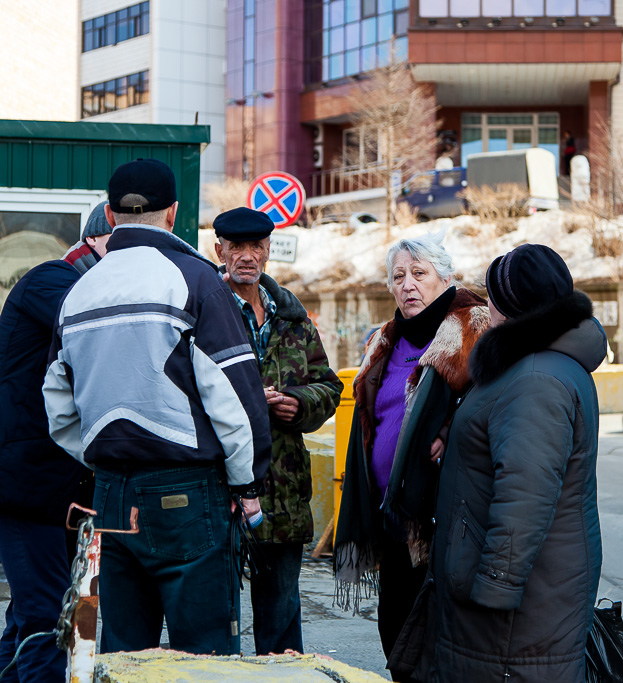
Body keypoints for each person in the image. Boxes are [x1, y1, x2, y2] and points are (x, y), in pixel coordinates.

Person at [43, 159, 272, 656]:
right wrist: (248, 485)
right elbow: (237, 401)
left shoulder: (77, 292)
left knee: (124, 653)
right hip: (188, 493)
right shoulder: (196, 281)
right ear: (173, 214)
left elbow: (58, 406)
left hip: (110, 493)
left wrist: (103, 456)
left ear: (109, 213)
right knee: (204, 656)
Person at [403, 243, 607, 682]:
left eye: (493, 297)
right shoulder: (529, 364)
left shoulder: (536, 377)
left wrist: (497, 585)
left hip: (518, 602)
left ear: (515, 306)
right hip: (517, 587)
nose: (487, 307)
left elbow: (526, 491)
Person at [0, 202, 112, 682]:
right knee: (44, 617)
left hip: (52, 487)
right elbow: (100, 334)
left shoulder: (80, 284)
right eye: (120, 246)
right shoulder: (53, 281)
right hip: (25, 485)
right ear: (93, 241)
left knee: (31, 613)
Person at [333, 230, 490, 682]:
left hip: (443, 519)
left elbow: (492, 405)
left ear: (445, 277)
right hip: (393, 522)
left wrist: (452, 426)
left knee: (438, 643)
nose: (408, 284)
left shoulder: (472, 330)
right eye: (398, 276)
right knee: (397, 636)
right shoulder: (384, 340)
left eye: (419, 273)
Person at [212, 207, 342, 655]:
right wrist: (246, 403)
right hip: (221, 489)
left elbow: (328, 385)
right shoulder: (204, 310)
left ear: (268, 252)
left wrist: (297, 403)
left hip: (284, 491)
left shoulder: (291, 315)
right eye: (236, 248)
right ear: (220, 251)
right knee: (216, 620)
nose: (246, 257)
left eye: (256, 247)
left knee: (282, 620)